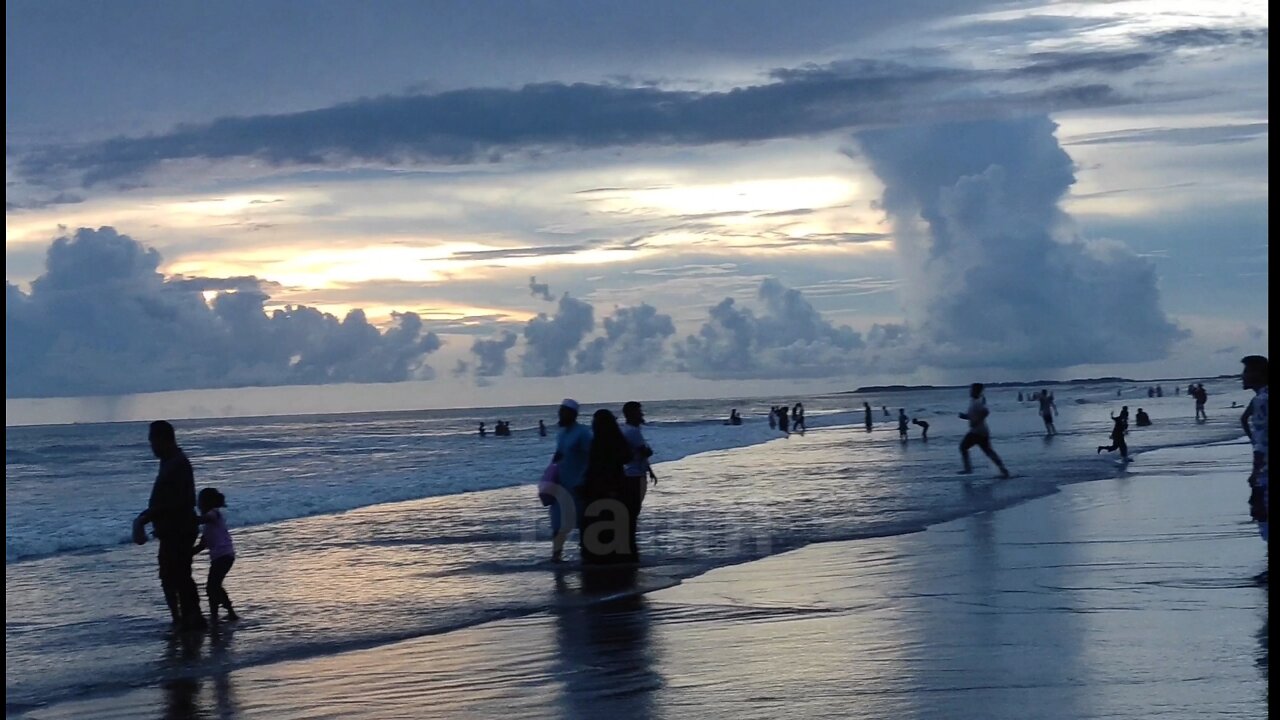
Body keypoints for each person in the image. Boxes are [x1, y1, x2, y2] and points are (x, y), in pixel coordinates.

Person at [134, 421, 207, 630]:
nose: (151, 446)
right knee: (171, 576)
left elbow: (183, 501)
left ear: (162, 439)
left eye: (152, 441)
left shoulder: (178, 464)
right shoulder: (169, 462)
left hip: (180, 529)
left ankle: (190, 619)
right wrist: (146, 517)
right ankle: (182, 619)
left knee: (178, 576)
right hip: (172, 530)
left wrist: (146, 517)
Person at [581, 409, 634, 564]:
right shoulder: (617, 440)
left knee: (598, 523)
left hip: (599, 487)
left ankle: (599, 556)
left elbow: (594, 467)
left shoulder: (597, 442)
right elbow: (627, 457)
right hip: (617, 484)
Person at [549, 400, 592, 562]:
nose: (560, 415)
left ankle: (586, 555)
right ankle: (556, 556)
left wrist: (584, 480)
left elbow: (591, 457)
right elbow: (558, 456)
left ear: (573, 414)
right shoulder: (561, 434)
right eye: (560, 412)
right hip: (561, 486)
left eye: (564, 412)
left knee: (581, 523)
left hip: (578, 486)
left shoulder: (583, 433)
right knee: (557, 523)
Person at [192, 488, 237, 624]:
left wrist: (186, 520)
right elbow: (202, 545)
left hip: (223, 556)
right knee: (214, 586)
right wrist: (188, 554)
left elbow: (204, 519)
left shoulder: (214, 514)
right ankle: (226, 612)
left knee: (212, 586)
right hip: (224, 555)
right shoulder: (209, 524)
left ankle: (218, 614)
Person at [620, 401, 658, 560]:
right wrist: (649, 453)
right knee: (633, 511)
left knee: (631, 511)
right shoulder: (633, 432)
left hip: (633, 473)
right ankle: (629, 546)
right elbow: (645, 452)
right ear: (631, 414)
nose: (641, 414)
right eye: (639, 412)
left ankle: (628, 544)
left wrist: (650, 470)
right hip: (635, 476)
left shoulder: (628, 430)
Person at [1242, 356, 1268, 552]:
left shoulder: (1261, 400)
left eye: (1246, 371)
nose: (1243, 376)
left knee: (1263, 516)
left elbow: (1261, 443)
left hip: (1266, 469)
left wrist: (1255, 473)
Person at [958, 384, 1011, 478]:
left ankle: (968, 469)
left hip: (977, 431)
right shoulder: (974, 401)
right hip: (980, 431)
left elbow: (985, 412)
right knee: (988, 451)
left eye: (971, 390)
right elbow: (974, 416)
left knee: (963, 447)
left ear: (975, 391)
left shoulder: (977, 402)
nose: (970, 391)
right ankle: (1003, 470)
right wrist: (965, 417)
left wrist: (976, 421)